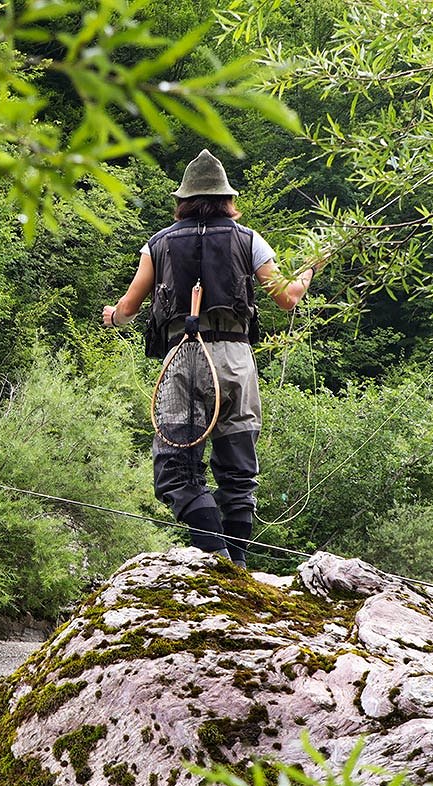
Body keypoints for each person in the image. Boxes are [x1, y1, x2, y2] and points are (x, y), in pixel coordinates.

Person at [102, 149, 318, 567]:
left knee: (176, 469)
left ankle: (214, 554)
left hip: (182, 358)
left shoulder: (158, 244)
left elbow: (128, 311)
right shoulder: (249, 239)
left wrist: (112, 318)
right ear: (227, 199)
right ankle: (234, 564)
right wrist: (310, 267)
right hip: (236, 360)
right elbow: (288, 298)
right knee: (237, 473)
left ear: (182, 201)